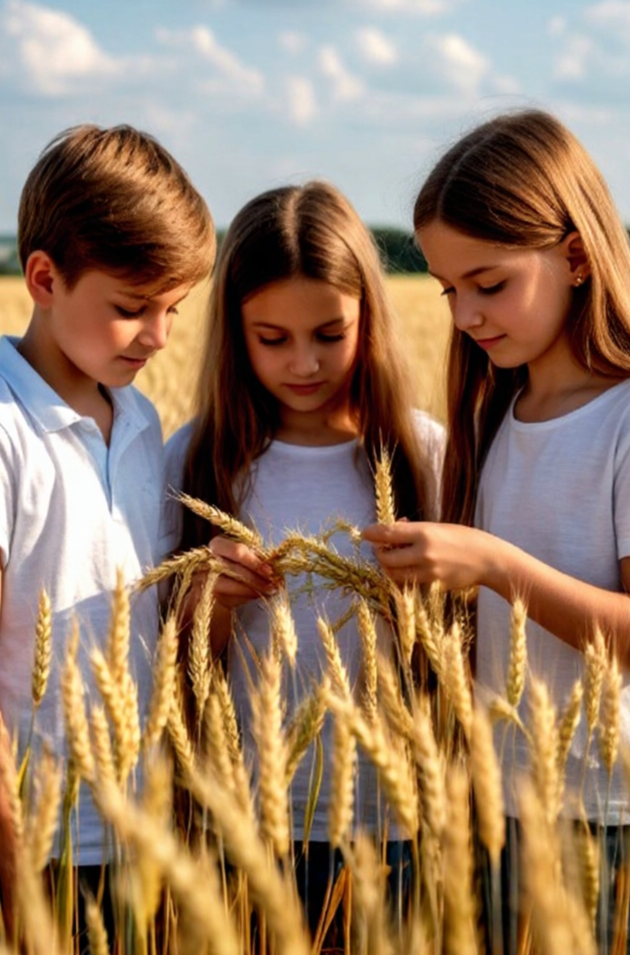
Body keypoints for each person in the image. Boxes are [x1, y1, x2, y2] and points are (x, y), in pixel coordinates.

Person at [362, 109, 630, 954]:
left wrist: (494, 563)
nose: (465, 314)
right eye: (449, 290)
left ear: (574, 257)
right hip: (513, 804)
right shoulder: (501, 413)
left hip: (629, 818)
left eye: (489, 284)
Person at [0, 123, 216, 941]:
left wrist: (208, 581)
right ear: (44, 278)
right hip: (12, 843)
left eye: (172, 309)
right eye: (131, 308)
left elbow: (139, 611)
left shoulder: (142, 422)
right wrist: (13, 859)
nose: (158, 335)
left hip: (127, 826)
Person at [163, 181, 444, 943]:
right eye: (272, 337)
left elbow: (461, 642)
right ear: (235, 334)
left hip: (397, 820)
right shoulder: (200, 459)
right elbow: (170, 663)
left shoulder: (424, 454)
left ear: (369, 319)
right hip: (245, 819)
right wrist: (212, 601)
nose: (304, 362)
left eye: (329, 332)